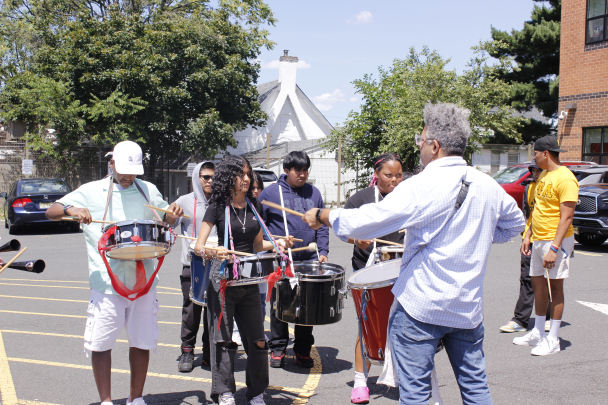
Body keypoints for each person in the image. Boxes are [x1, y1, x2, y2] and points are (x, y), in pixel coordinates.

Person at [302, 103, 525, 405]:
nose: (419, 147)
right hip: (467, 309)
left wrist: (323, 214)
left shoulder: (420, 185)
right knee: (475, 389)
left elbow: (369, 222)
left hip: (421, 309)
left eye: (421, 141)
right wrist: (481, 236)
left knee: (416, 395)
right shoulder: (488, 185)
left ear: (434, 145)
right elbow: (515, 224)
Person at [45, 141, 184, 405]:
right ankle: (106, 400)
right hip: (107, 283)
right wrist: (70, 209)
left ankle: (136, 398)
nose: (128, 176)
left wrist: (173, 215)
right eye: (123, 170)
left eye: (133, 170)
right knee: (101, 343)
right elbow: (50, 211)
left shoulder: (148, 190)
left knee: (142, 342)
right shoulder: (91, 191)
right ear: (111, 164)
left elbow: (166, 219)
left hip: (143, 281)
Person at [193, 155, 293, 405]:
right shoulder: (217, 206)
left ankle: (256, 392)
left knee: (258, 340)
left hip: (249, 281)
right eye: (242, 174)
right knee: (224, 340)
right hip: (223, 281)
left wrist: (278, 243)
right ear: (229, 177)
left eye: (249, 174)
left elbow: (258, 246)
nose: (248, 179)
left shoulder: (253, 206)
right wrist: (214, 250)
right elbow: (198, 246)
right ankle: (225, 391)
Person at [343, 152, 405, 403]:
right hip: (368, 267)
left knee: (406, 327)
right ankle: (360, 381)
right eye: (388, 175)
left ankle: (407, 379)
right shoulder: (361, 199)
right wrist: (357, 239)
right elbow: (342, 229)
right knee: (366, 326)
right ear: (376, 174)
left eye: (399, 175)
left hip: (403, 266)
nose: (394, 180)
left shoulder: (408, 196)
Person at [258, 151, 329, 369]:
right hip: (281, 258)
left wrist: (323, 250)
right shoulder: (270, 193)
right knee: (280, 304)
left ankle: (302, 350)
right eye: (298, 171)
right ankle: (278, 348)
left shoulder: (314, 193)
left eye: (306, 170)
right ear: (287, 170)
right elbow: (261, 227)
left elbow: (322, 224)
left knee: (306, 306)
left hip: (308, 257)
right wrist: (276, 243)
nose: (303, 175)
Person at [514, 136, 577, 356]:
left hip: (555, 240)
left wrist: (554, 248)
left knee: (555, 288)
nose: (534, 157)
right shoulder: (543, 176)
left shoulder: (565, 178)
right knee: (538, 285)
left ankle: (553, 339)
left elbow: (567, 217)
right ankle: (538, 332)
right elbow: (536, 209)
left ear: (546, 153)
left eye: (535, 153)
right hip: (538, 238)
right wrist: (527, 234)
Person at [173, 161, 216, 372]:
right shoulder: (185, 201)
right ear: (197, 178)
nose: (210, 181)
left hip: (217, 267)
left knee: (213, 312)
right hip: (192, 266)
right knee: (191, 312)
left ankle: (209, 353)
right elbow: (168, 223)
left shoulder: (222, 201)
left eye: (212, 177)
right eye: (205, 177)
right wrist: (171, 214)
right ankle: (187, 352)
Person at [500, 164, 551, 334]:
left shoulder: (552, 186)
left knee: (548, 280)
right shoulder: (530, 186)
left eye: (538, 170)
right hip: (531, 238)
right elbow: (529, 214)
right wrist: (526, 237)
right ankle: (520, 320)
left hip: (549, 239)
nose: (535, 174)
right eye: (533, 171)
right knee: (526, 279)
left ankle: (549, 317)